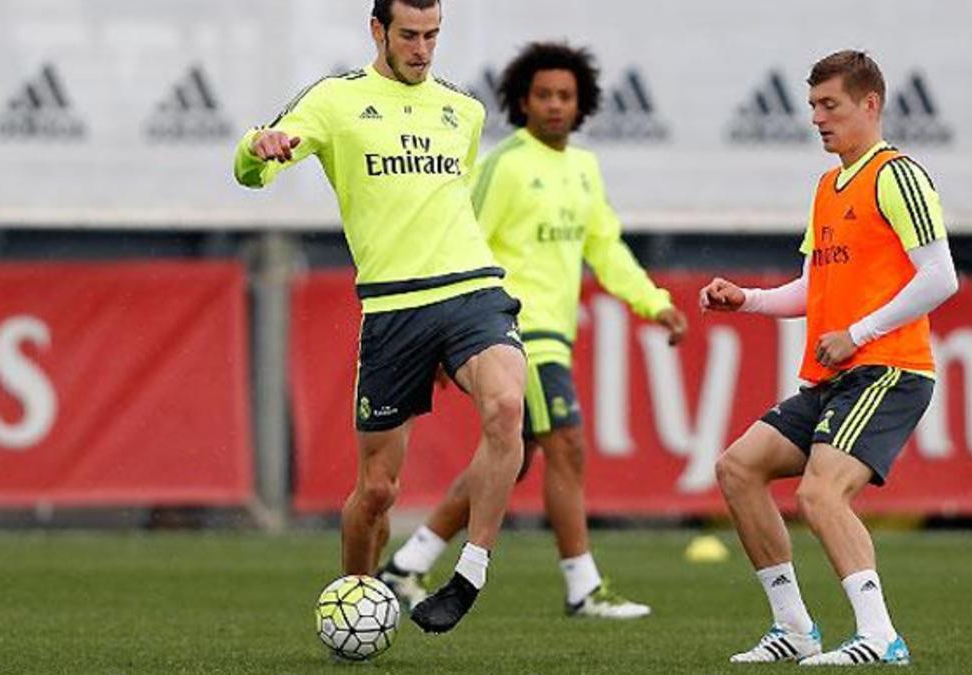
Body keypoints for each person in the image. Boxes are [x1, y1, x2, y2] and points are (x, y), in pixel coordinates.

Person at [233, 0, 527, 635]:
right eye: (409, 35)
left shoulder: (463, 110)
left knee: (507, 407)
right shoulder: (336, 101)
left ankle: (470, 570)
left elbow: (452, 205)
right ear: (378, 31)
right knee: (377, 493)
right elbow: (248, 171)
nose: (422, 49)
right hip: (393, 309)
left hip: (471, 289)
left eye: (432, 35)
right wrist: (259, 147)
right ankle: (354, 601)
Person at [379, 42, 688, 619]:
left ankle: (407, 565)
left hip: (556, 336)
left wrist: (655, 303)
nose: (554, 105)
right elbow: (461, 240)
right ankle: (583, 586)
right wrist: (448, 336)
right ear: (522, 101)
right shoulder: (506, 164)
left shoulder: (584, 168)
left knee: (511, 461)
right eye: (543, 95)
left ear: (581, 103)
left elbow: (606, 248)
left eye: (564, 96)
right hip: (510, 330)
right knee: (566, 446)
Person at [700, 50, 958, 666]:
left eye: (830, 105)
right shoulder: (825, 186)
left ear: (870, 105)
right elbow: (812, 288)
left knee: (819, 495)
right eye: (813, 106)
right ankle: (794, 627)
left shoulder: (896, 175)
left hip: (890, 369)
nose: (817, 118)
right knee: (738, 469)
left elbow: (940, 276)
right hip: (837, 374)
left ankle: (879, 636)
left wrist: (860, 331)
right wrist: (749, 300)